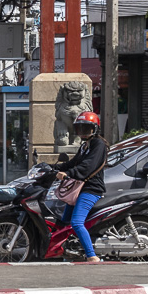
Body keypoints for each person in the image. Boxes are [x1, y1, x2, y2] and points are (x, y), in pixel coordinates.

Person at [53, 110, 108, 263]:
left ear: (95, 129)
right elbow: (73, 162)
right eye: (80, 128)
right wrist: (53, 168)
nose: (82, 132)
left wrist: (68, 174)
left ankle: (92, 256)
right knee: (63, 222)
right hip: (79, 188)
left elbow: (87, 167)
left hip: (91, 189)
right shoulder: (85, 146)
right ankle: (65, 250)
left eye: (86, 128)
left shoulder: (98, 144)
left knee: (76, 222)